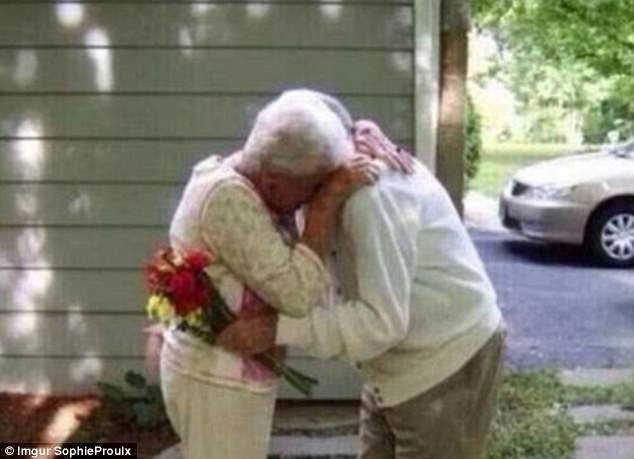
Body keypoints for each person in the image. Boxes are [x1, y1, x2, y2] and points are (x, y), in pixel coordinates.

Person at [219, 113, 506, 459]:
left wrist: (276, 330)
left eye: (273, 185)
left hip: (447, 357)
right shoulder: (318, 186)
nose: (264, 192)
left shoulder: (369, 198)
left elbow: (381, 323)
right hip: (389, 364)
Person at [148, 89, 409, 459]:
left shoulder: (246, 178)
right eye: (311, 187)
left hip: (229, 378)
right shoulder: (228, 200)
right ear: (273, 180)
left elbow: (302, 103)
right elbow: (297, 296)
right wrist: (325, 205)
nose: (312, 196)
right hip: (216, 384)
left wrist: (358, 130)